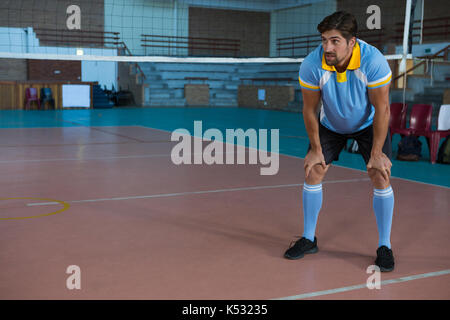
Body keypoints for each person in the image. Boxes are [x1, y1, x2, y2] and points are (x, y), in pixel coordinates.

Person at [284, 11, 395, 272]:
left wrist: (377, 152)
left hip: (368, 123)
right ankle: (309, 238)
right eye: (324, 40)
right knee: (313, 170)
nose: (327, 47)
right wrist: (315, 149)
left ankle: (385, 245)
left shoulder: (373, 61)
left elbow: (383, 109)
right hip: (331, 123)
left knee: (380, 174)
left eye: (334, 41)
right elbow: (310, 110)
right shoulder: (312, 64)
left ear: (352, 42)